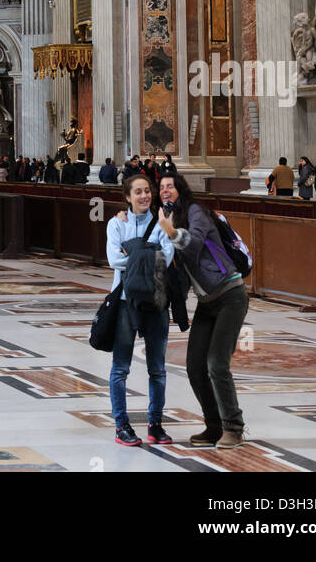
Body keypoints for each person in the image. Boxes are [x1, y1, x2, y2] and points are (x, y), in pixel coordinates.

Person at [157, 172, 248, 447]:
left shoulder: (196, 212)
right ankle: (214, 425)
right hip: (207, 302)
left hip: (230, 295)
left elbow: (194, 243)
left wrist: (171, 231)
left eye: (170, 186)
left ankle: (233, 427)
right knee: (195, 366)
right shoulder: (167, 219)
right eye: (161, 187)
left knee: (216, 364)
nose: (165, 190)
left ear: (180, 190)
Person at [105, 171, 175, 447]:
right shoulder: (116, 224)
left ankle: (155, 424)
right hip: (125, 301)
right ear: (127, 197)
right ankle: (121, 425)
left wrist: (133, 254)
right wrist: (148, 255)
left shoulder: (162, 222)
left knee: (157, 368)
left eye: (147, 191)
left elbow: (167, 257)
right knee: (120, 367)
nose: (144, 196)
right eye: (138, 192)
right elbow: (113, 260)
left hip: (156, 299)